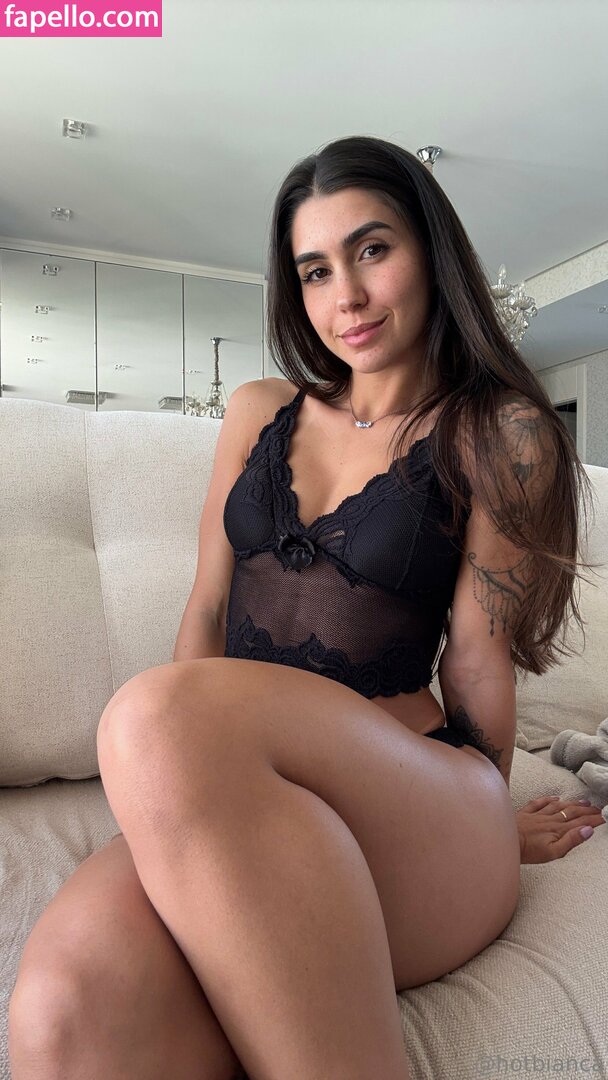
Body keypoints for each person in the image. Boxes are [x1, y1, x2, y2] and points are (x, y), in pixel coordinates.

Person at [8, 135, 604, 1080]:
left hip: (412, 789)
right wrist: (177, 803)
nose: (346, 297)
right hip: (231, 784)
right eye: (316, 270)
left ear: (431, 253)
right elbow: (207, 610)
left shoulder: (500, 433)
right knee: (58, 1020)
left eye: (373, 250)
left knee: (153, 714)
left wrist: (487, 821)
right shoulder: (256, 412)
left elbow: (475, 660)